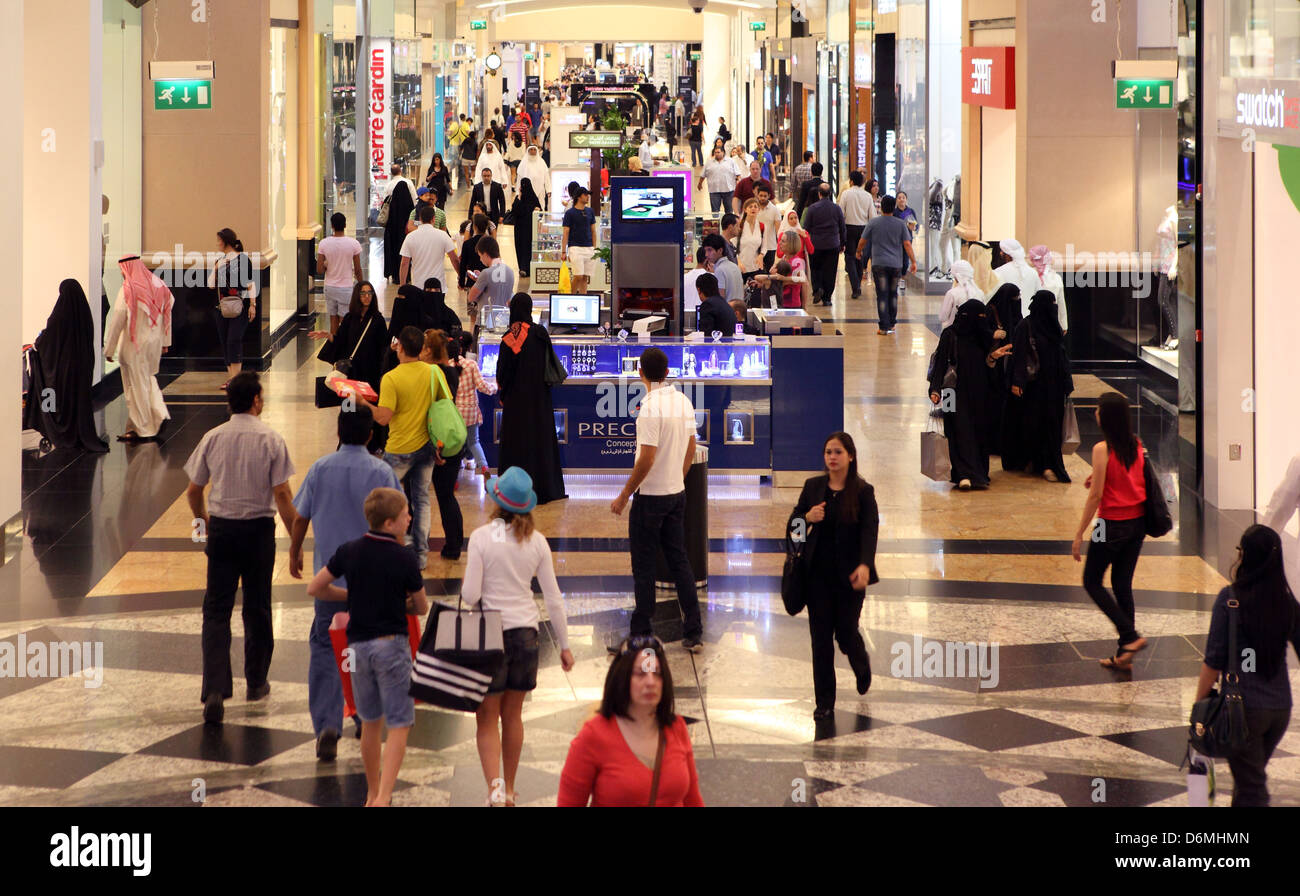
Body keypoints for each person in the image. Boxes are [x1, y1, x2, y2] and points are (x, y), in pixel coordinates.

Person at [289, 407, 402, 759]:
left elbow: (301, 516)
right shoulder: (382, 470)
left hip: (330, 581)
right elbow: (398, 523)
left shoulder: (320, 469)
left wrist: (294, 550)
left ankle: (326, 724)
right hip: (373, 583)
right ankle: (363, 717)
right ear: (371, 435)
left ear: (338, 431)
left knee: (325, 646)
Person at [184, 372, 297, 723]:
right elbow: (281, 494)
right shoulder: (271, 439)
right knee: (258, 606)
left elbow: (193, 490)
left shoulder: (213, 437)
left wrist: (203, 524)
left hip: (222, 530)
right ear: (257, 401)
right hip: (259, 532)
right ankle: (257, 679)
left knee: (216, 609)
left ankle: (216, 688)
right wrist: (295, 538)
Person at [461, 467, 575, 806]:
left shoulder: (482, 538)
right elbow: (553, 599)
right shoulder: (537, 542)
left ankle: (494, 792)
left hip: (489, 636)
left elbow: (468, 594)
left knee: (487, 720)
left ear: (497, 502)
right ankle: (510, 789)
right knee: (513, 717)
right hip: (526, 634)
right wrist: (565, 646)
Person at [308, 487, 429, 806]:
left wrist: (350, 596)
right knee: (401, 723)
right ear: (390, 522)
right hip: (391, 647)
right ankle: (385, 796)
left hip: (357, 650)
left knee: (370, 723)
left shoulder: (349, 550)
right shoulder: (404, 556)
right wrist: (399, 604)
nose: (409, 518)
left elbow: (315, 587)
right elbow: (421, 606)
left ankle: (372, 792)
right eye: (405, 515)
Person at [1195, 525, 1300, 806]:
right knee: (1248, 781)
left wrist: (1198, 707)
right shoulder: (1287, 603)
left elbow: (1213, 660)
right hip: (1280, 710)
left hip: (1243, 712)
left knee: (1253, 790)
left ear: (1245, 556)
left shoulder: (1230, 600)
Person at [610, 347, 704, 650]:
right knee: (680, 561)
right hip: (677, 494)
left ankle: (640, 633)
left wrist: (625, 494)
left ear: (641, 373)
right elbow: (691, 446)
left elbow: (646, 459)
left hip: (650, 499)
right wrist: (677, 476)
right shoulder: (683, 401)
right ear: (666, 373)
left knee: (644, 565)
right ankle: (693, 629)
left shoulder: (649, 408)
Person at [787, 432, 879, 719]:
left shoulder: (863, 492)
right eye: (828, 452)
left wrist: (865, 565)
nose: (832, 457)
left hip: (850, 579)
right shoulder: (813, 488)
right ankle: (824, 701)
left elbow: (869, 532)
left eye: (838, 452)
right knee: (821, 640)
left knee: (846, 634)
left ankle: (861, 663)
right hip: (818, 578)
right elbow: (793, 531)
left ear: (850, 456)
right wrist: (806, 518)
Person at [557, 636, 704, 806]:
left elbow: (692, 800)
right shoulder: (594, 735)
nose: (650, 682)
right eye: (640, 674)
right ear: (623, 678)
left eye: (657, 674)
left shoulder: (676, 727)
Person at [1071, 391, 1150, 668]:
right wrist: (1097, 477)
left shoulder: (1102, 449)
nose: (1094, 412)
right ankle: (1124, 655)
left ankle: (1129, 636)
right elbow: (1129, 479)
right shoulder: (1136, 445)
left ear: (1107, 417)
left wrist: (1079, 533)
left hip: (1110, 525)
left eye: (1098, 408)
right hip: (1136, 525)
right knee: (1121, 584)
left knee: (1092, 581)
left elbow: (1097, 496)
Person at [357, 326, 436, 570]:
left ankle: (390, 550)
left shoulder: (391, 378)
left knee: (386, 499)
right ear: (421, 348)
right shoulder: (433, 372)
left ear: (400, 347)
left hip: (400, 448)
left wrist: (363, 404)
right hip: (426, 446)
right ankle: (421, 556)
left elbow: (383, 418)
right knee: (421, 499)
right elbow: (444, 403)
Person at [928, 300, 1011, 490]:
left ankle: (979, 473)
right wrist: (934, 389)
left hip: (978, 391)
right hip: (950, 392)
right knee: (955, 430)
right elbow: (940, 362)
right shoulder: (950, 335)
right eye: (979, 317)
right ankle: (962, 474)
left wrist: (993, 357)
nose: (981, 321)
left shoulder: (984, 338)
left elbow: (988, 367)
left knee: (977, 430)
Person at [24, 279, 109, 453]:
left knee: (55, 397)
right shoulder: (84, 314)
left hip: (62, 370)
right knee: (76, 400)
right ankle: (77, 431)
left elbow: (47, 340)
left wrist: (37, 345)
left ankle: (57, 428)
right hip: (81, 368)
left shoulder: (59, 315)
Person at [497, 294, 567, 505]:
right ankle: (545, 488)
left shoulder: (510, 336)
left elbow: (503, 372)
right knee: (540, 442)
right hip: (540, 400)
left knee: (516, 445)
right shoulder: (540, 333)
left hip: (515, 402)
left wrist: (503, 394)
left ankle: (516, 490)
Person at [103, 256, 174, 442]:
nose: (121, 272)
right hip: (154, 345)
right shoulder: (159, 285)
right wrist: (166, 341)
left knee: (134, 387)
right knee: (148, 381)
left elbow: (117, 320)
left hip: (133, 346)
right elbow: (168, 313)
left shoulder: (128, 289)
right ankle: (159, 414)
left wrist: (109, 349)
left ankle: (143, 428)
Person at [1010, 291, 1073, 483]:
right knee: (1033, 424)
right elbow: (1019, 356)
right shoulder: (1025, 326)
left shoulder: (1054, 326)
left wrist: (1066, 382)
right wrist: (1017, 382)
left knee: (1052, 426)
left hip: (1054, 387)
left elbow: (1061, 356)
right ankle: (1034, 460)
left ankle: (1048, 464)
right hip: (1034, 386)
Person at [418, 330, 465, 560]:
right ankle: (455, 544)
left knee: (427, 496)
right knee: (447, 496)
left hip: (438, 441)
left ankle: (420, 546)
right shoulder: (451, 371)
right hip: (453, 438)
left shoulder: (431, 373)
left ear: (429, 350)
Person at [856, 195, 917, 331]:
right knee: (893, 293)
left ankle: (883, 326)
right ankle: (892, 323)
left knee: (882, 295)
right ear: (893, 207)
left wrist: (858, 251)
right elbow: (907, 244)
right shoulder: (900, 224)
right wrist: (913, 261)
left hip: (879, 264)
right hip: (896, 264)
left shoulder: (873, 223)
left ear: (881, 207)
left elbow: (863, 240)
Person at [210, 228, 259, 388]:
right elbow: (211, 285)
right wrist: (216, 268)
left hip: (241, 306)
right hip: (222, 307)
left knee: (234, 340)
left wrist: (253, 305)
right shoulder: (220, 261)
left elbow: (251, 283)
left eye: (219, 240)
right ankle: (232, 378)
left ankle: (235, 379)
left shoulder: (243, 260)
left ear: (225, 242)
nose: (217, 243)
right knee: (225, 341)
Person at [455, 330, 497, 479]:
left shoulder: (448, 364)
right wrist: (494, 387)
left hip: (453, 412)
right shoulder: (471, 364)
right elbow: (481, 386)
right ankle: (484, 467)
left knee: (454, 444)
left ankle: (454, 477)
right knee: (474, 442)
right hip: (470, 412)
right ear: (470, 346)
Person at [316, 213, 363, 336]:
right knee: (345, 321)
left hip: (329, 287)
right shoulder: (353, 244)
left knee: (333, 320)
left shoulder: (324, 243)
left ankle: (334, 349)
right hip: (346, 288)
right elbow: (358, 269)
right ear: (345, 225)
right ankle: (345, 348)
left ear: (332, 226)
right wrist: (362, 286)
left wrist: (326, 264)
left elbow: (319, 270)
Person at [802, 184, 846, 307]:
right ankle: (827, 298)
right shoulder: (836, 208)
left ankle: (817, 288)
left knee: (816, 268)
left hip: (816, 243)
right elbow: (842, 227)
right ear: (830, 193)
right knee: (830, 271)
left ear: (819, 194)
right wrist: (842, 243)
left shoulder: (812, 208)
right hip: (832, 244)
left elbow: (806, 227)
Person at [399, 204, 460, 289]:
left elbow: (404, 263)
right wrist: (461, 277)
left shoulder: (410, 237)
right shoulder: (443, 235)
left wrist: (402, 286)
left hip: (418, 286)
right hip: (438, 286)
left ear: (420, 219)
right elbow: (454, 259)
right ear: (433, 219)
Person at [839, 172, 875, 300]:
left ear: (851, 181)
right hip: (864, 229)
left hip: (849, 228)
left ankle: (856, 287)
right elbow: (872, 216)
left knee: (850, 257)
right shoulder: (868, 196)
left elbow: (841, 213)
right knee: (859, 256)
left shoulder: (846, 194)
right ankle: (857, 284)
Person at [382, 168, 417, 285]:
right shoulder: (409, 209)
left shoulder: (393, 205)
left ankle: (395, 275)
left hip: (393, 233)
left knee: (394, 251)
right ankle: (405, 277)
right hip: (405, 234)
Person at [561, 187, 598, 295]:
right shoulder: (570, 213)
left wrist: (594, 248)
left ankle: (583, 296)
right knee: (578, 275)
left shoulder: (590, 211)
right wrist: (564, 251)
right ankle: (571, 296)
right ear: (578, 196)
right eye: (585, 194)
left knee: (585, 276)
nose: (587, 197)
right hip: (575, 247)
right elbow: (566, 232)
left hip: (589, 247)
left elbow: (593, 231)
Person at [466, 236, 516, 316]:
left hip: (486, 321)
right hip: (504, 320)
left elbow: (471, 297)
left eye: (480, 256)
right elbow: (499, 288)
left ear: (485, 254)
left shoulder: (486, 273)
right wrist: (479, 279)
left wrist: (479, 280)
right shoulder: (510, 271)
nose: (480, 259)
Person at [993, 238, 1041, 319]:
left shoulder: (999, 272)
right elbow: (1039, 298)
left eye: (1002, 252)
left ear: (1007, 255)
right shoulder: (1033, 272)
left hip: (1008, 320)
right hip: (1029, 321)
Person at [1028, 244, 1068, 334]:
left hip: (1034, 322)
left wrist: (1063, 324)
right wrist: (1063, 324)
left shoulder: (1029, 274)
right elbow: (1061, 303)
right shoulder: (1055, 277)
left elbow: (1061, 302)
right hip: (1048, 322)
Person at [511, 175, 543, 279]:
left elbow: (540, 213)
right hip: (520, 229)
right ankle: (522, 268)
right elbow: (515, 211)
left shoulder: (533, 199)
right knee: (520, 248)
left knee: (528, 248)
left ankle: (527, 268)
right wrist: (519, 197)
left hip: (529, 230)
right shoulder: (519, 198)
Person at [940, 260, 985, 329]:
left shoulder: (952, 293)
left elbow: (943, 318)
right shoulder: (980, 293)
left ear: (956, 276)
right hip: (976, 335)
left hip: (955, 335)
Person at [702, 233, 743, 306]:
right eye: (705, 251)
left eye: (709, 250)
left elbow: (720, 300)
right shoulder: (735, 266)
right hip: (739, 312)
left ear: (720, 250)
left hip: (726, 314)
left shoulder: (720, 270)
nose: (706, 254)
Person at [458, 213, 490, 294]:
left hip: (472, 282)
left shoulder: (467, 243)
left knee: (472, 305)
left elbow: (463, 265)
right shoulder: (491, 243)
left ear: (474, 227)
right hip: (488, 282)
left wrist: (461, 283)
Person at [698, 145, 736, 214]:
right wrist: (700, 184)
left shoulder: (731, 161)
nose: (717, 154)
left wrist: (738, 183)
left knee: (729, 211)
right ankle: (716, 224)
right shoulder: (709, 163)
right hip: (714, 191)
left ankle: (728, 224)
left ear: (723, 153)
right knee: (715, 212)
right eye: (715, 152)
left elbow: (738, 174)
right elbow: (703, 175)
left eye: (718, 152)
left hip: (728, 191)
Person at [753, 182, 782, 269]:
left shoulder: (775, 210)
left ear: (769, 196)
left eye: (765, 196)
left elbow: (778, 230)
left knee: (769, 272)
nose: (762, 198)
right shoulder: (752, 208)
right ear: (757, 195)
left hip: (770, 246)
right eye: (761, 195)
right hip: (755, 246)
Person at [736, 198, 766, 279]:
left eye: (755, 207)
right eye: (750, 207)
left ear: (759, 210)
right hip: (741, 267)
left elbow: (765, 245)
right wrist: (738, 262)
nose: (753, 208)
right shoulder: (739, 225)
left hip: (756, 267)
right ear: (745, 210)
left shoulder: (761, 226)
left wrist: (761, 255)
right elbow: (732, 246)